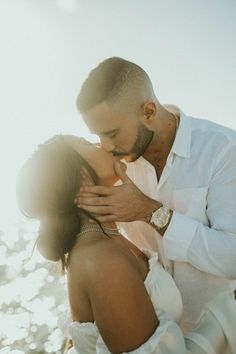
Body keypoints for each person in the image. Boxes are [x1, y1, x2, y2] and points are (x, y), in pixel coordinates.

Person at [16, 134, 236, 354]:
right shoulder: (102, 261)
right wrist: (228, 310)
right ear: (81, 176)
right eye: (86, 143)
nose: (100, 144)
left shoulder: (109, 237)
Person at [75, 57, 236, 332]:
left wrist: (150, 212)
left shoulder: (223, 150)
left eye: (111, 132)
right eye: (97, 135)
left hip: (223, 334)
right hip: (155, 337)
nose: (105, 145)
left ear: (149, 111)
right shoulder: (112, 167)